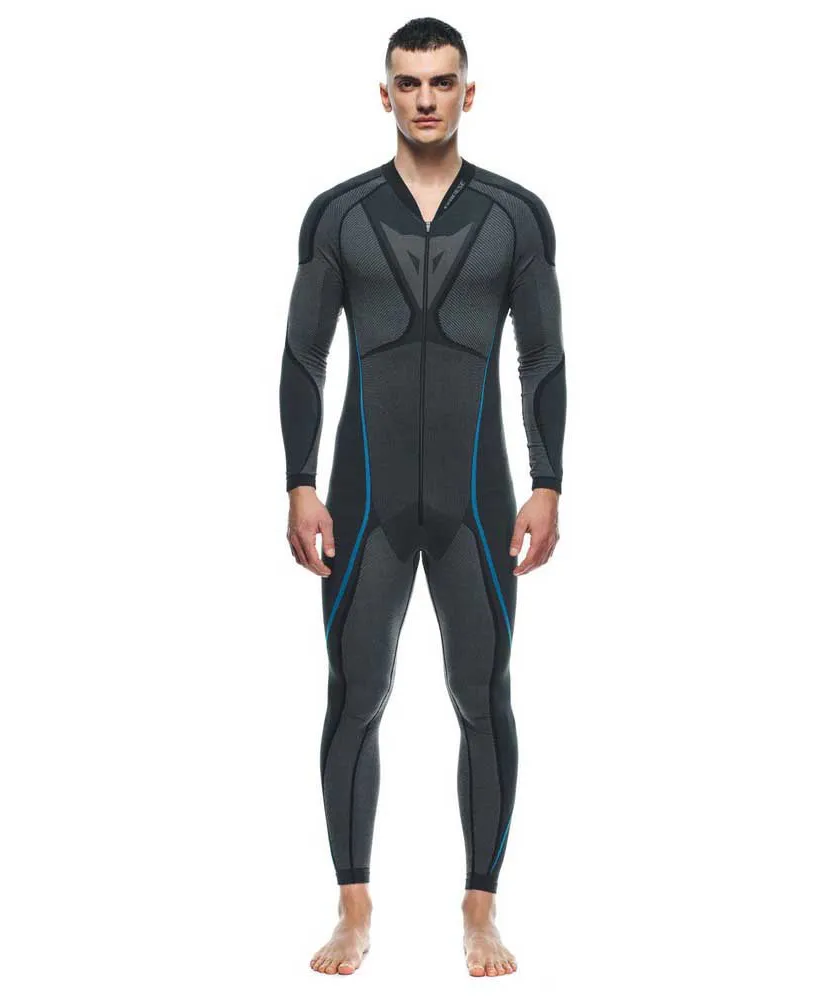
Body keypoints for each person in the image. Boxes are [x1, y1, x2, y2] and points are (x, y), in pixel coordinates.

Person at [278, 17, 566, 978]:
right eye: (410, 82)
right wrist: (300, 481)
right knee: (355, 692)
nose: (427, 97)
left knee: (482, 694)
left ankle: (481, 910)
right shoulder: (340, 214)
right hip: (364, 503)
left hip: (475, 504)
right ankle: (353, 907)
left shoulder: (516, 216)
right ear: (386, 94)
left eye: (443, 81)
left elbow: (543, 359)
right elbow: (303, 358)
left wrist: (548, 482)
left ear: (468, 93)